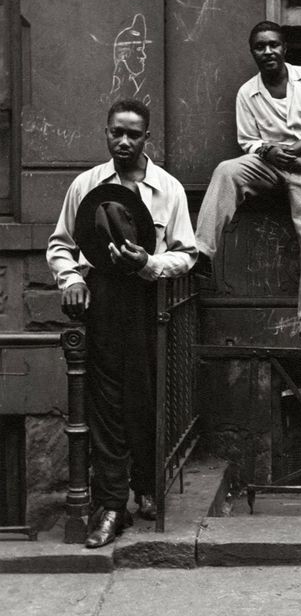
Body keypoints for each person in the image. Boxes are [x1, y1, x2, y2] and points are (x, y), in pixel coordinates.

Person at [47, 99, 197, 548]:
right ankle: (112, 505)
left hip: (151, 304)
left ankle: (147, 485)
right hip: (104, 303)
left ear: (146, 138)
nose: (124, 141)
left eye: (133, 134)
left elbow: (188, 253)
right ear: (107, 133)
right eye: (117, 132)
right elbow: (61, 244)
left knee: (145, 400)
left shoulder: (167, 189)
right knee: (105, 406)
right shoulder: (86, 185)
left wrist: (148, 262)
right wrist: (71, 278)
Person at [194, 20, 301, 353]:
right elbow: (247, 139)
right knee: (227, 170)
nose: (267, 51)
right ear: (253, 53)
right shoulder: (248, 93)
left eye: (273, 44)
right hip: (272, 164)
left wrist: (296, 150)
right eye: (260, 47)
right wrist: (269, 151)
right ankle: (201, 251)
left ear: (284, 48)